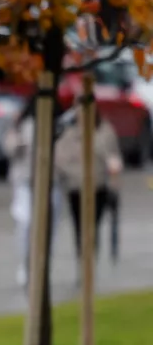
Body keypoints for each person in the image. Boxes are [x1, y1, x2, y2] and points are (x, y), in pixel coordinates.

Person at [2, 100, 66, 287]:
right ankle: (26, 264)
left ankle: (43, 266)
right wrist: (18, 142)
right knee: (25, 222)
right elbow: (9, 146)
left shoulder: (58, 125)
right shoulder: (22, 123)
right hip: (25, 180)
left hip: (51, 181)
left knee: (50, 227)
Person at [54, 105, 123, 274]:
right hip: (76, 187)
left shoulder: (104, 131)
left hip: (98, 186)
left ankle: (90, 263)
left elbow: (113, 157)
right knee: (79, 228)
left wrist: (114, 176)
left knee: (92, 227)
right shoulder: (70, 134)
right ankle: (82, 263)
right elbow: (59, 159)